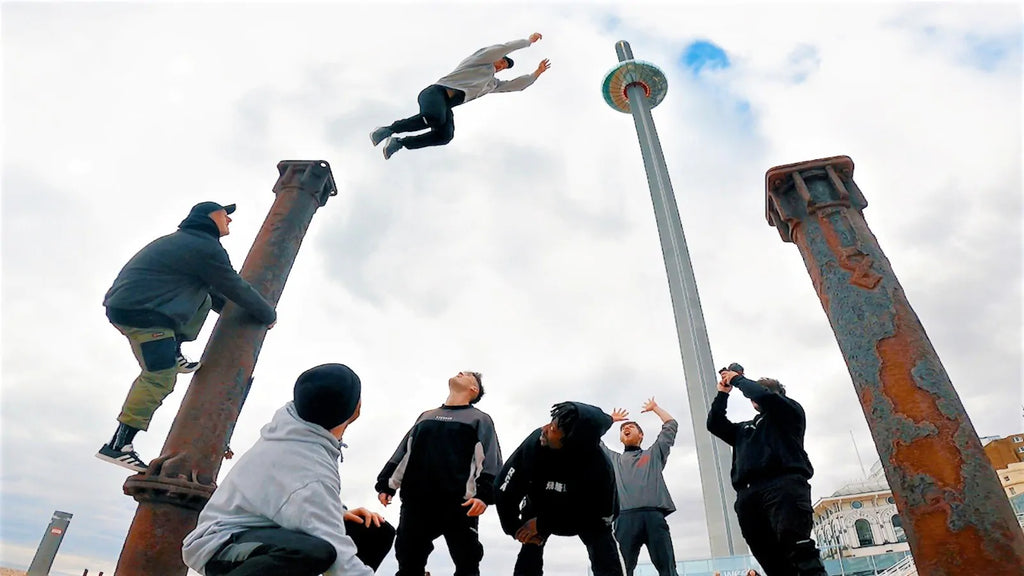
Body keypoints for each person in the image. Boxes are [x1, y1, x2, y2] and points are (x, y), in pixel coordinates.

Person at [97, 201, 278, 472]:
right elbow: (234, 285)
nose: (229, 220)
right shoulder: (206, 248)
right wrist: (267, 314)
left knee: (204, 298)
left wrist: (236, 311)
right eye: (224, 215)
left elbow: (216, 293)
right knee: (160, 377)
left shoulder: (186, 242)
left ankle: (175, 350)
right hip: (143, 316)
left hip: (134, 306)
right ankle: (118, 445)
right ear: (209, 217)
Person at [182, 363, 395, 576]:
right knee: (314, 552)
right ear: (354, 409)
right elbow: (338, 554)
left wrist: (338, 512)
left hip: (261, 525)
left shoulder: (296, 426)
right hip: (219, 545)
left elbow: (292, 494)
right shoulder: (309, 472)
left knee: (375, 533)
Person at [706, 363, 828, 576]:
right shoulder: (744, 429)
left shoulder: (789, 413)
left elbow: (764, 396)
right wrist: (723, 394)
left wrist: (738, 379)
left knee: (799, 550)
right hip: (748, 494)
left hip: (783, 486)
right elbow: (714, 424)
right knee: (770, 559)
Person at [375, 371, 501, 576]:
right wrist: (387, 485)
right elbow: (404, 452)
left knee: (467, 564)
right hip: (416, 504)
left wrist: (484, 496)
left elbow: (490, 459)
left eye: (468, 375)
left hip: (460, 506)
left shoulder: (479, 419)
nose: (460, 372)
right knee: (408, 564)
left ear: (474, 389)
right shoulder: (426, 416)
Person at [370, 33, 552, 159]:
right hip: (435, 93)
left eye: (504, 67)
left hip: (446, 106)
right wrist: (528, 41)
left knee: (445, 135)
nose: (501, 66)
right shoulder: (478, 61)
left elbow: (515, 86)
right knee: (435, 117)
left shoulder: (491, 84)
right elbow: (503, 48)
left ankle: (399, 143)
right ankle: (388, 129)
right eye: (502, 61)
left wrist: (536, 73)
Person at [494, 402, 625, 576]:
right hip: (540, 503)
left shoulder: (600, 470)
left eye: (553, 429)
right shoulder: (536, 442)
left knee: (604, 552)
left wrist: (543, 523)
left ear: (571, 443)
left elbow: (598, 517)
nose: (544, 429)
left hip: (585, 514)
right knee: (529, 551)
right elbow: (504, 489)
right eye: (551, 422)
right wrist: (515, 528)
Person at [605, 398, 680, 576]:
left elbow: (671, 425)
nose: (626, 428)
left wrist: (655, 408)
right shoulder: (613, 459)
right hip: (624, 519)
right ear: (620, 437)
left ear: (641, 435)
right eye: (623, 429)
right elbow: (592, 439)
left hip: (654, 517)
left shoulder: (653, 454)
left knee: (668, 569)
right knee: (620, 569)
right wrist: (609, 420)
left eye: (631, 427)